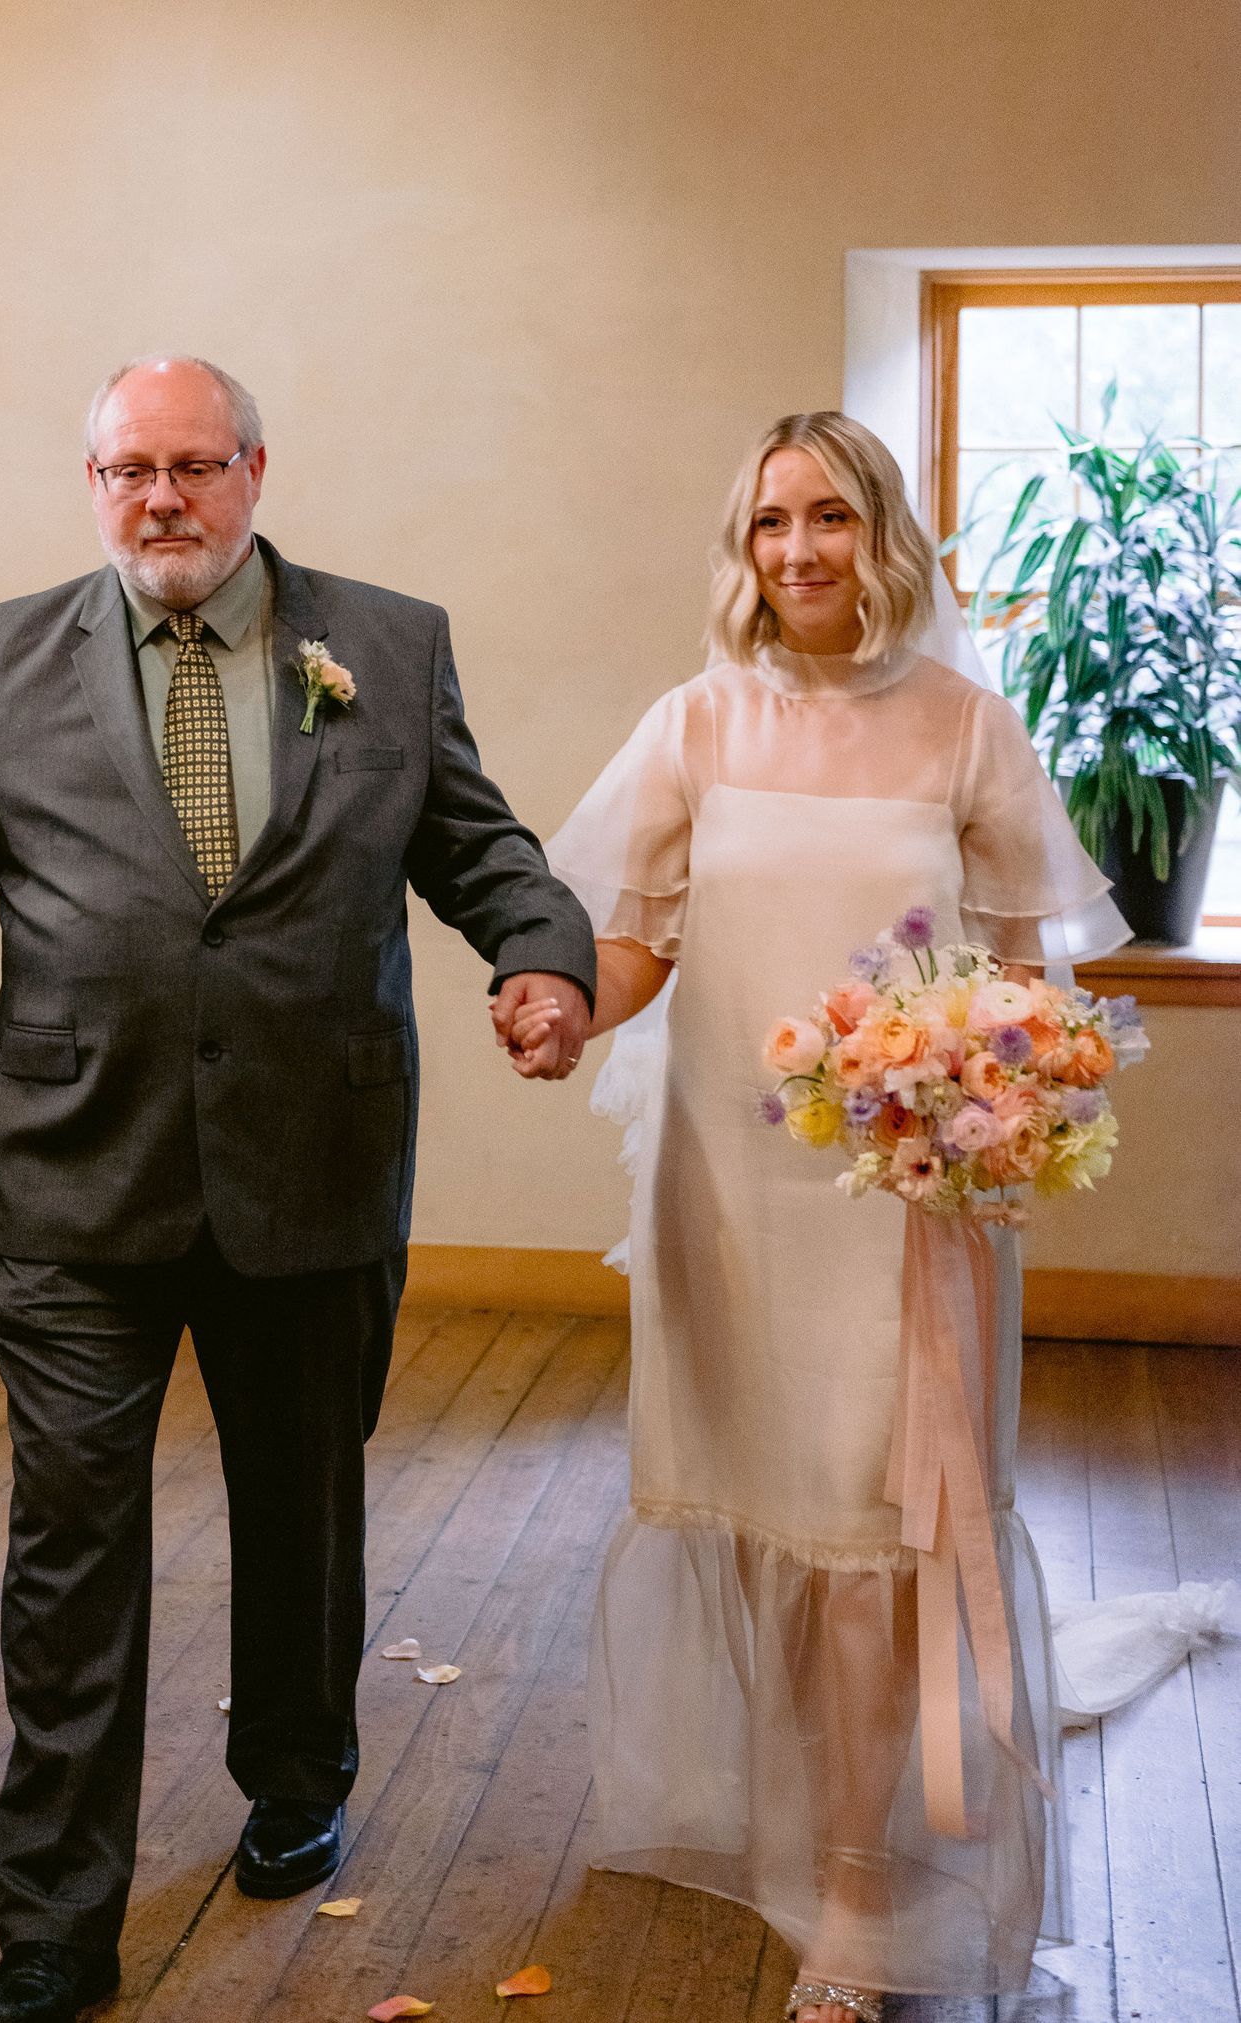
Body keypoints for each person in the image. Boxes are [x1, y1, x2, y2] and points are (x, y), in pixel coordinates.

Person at [0, 355, 594, 2023]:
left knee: (302, 1506)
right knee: (69, 1552)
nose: (161, 500)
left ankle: (296, 1773)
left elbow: (476, 843)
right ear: (91, 481)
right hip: (73, 1175)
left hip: (312, 1171)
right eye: (127, 471)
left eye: (193, 465)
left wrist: (543, 960)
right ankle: (52, 1916)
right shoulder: (4, 654)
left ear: (257, 469)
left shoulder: (383, 645)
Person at [501, 413, 1129, 2022]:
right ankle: (801, 1811)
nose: (798, 549)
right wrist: (565, 1012)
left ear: (882, 536)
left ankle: (858, 1896)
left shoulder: (963, 728)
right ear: (744, 546)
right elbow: (634, 944)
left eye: (830, 516)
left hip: (904, 1209)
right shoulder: (695, 724)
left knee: (875, 1530)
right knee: (770, 1510)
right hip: (730, 1184)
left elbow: (1015, 977)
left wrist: (987, 1096)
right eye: (772, 520)